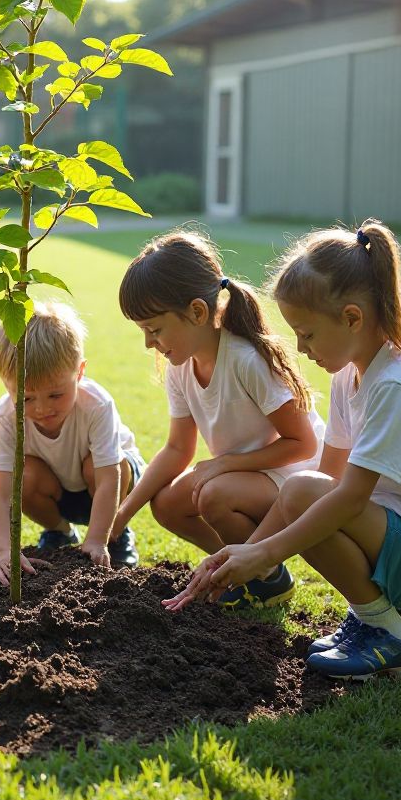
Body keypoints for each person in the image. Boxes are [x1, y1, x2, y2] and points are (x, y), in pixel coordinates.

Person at [166, 220, 401, 681]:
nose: (300, 348)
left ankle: (389, 635)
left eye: (306, 334)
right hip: (390, 540)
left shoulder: (398, 386)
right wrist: (244, 554)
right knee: (305, 493)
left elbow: (342, 497)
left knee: (309, 493)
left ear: (352, 318)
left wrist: (264, 555)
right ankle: (374, 618)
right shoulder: (349, 377)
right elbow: (320, 483)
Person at [115, 229, 324, 608]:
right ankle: (234, 565)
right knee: (167, 503)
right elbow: (178, 448)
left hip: (297, 478)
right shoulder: (180, 364)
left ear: (196, 311)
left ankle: (266, 577)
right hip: (240, 475)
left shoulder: (246, 360)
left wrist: (226, 463)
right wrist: (123, 514)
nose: (149, 343)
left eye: (155, 330)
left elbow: (303, 444)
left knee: (211, 494)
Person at [0, 301, 145, 585]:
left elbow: (109, 479)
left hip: (112, 485)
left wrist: (97, 540)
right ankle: (60, 531)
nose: (42, 409)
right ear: (6, 384)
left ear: (79, 373)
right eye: (27, 398)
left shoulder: (96, 404)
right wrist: (1, 551)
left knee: (99, 465)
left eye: (55, 395)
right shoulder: (3, 417)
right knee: (25, 475)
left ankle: (115, 534)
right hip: (57, 491)